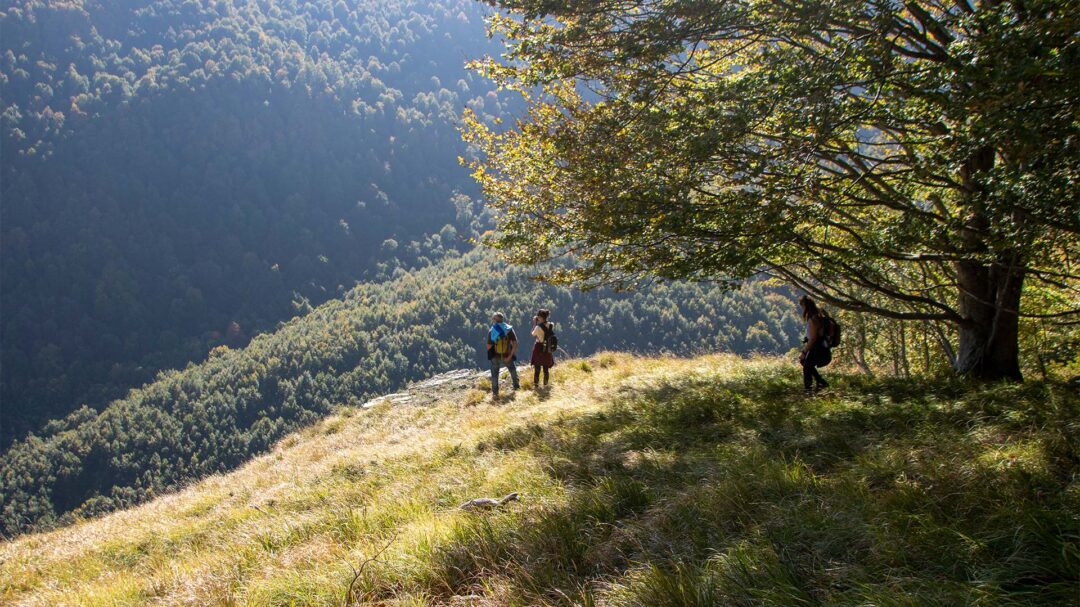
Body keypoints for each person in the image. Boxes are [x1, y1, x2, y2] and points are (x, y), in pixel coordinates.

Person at [798, 295, 831, 394]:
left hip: (816, 348)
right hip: (822, 347)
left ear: (805, 306)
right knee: (805, 363)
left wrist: (804, 351)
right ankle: (820, 382)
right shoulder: (819, 315)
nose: (802, 309)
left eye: (802, 306)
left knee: (806, 367)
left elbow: (813, 338)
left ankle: (808, 391)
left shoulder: (813, 319)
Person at [486, 312, 519, 398]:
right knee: (512, 369)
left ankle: (495, 393)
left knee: (494, 374)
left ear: (496, 320)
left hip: (495, 357)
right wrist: (510, 356)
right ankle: (516, 387)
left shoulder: (492, 330)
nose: (492, 320)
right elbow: (515, 343)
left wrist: (493, 354)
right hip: (507, 354)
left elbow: (489, 345)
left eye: (493, 319)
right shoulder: (509, 329)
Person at [530, 309, 555, 388]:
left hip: (539, 347)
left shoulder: (537, 327)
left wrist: (534, 323)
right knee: (545, 368)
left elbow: (533, 334)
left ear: (540, 317)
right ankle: (545, 384)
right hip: (547, 348)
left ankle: (536, 385)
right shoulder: (551, 325)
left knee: (537, 367)